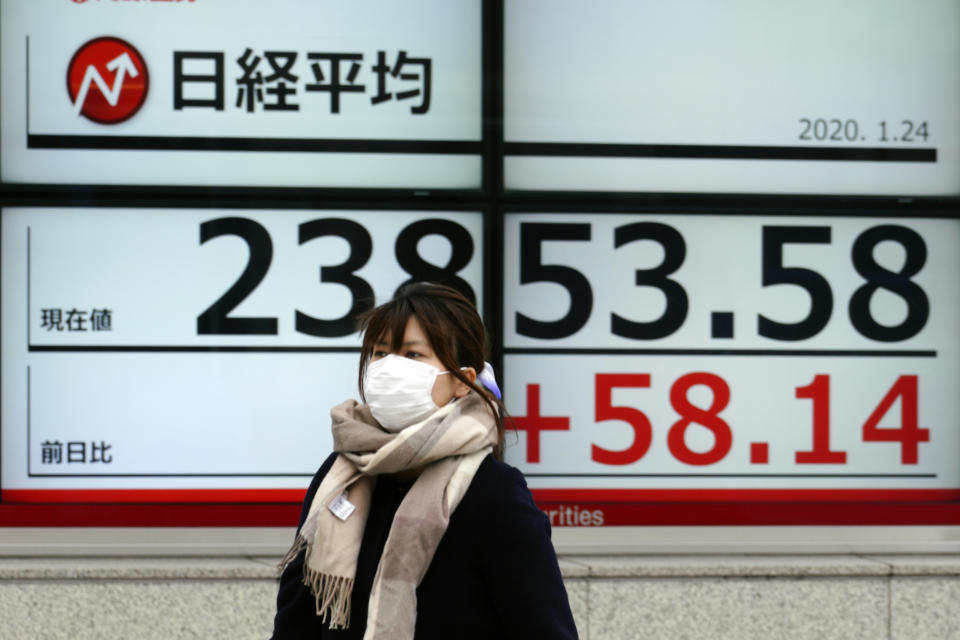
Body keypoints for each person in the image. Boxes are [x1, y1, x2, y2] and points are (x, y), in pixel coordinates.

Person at [271, 283, 579, 639]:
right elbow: (296, 618)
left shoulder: (493, 492)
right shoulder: (342, 473)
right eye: (380, 352)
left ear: (463, 381)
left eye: (413, 355)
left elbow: (544, 627)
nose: (389, 368)